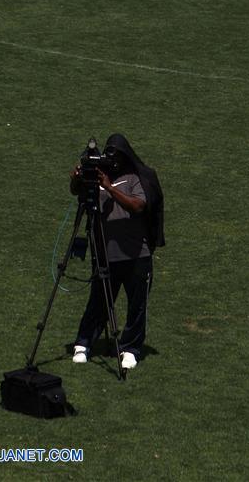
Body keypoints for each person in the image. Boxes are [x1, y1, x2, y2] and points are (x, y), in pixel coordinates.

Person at [70, 133, 165, 370]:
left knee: (137, 305)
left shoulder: (135, 178)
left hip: (137, 256)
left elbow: (137, 206)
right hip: (105, 254)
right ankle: (83, 343)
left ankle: (131, 348)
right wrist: (77, 179)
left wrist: (110, 188)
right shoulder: (99, 178)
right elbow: (77, 193)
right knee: (99, 302)